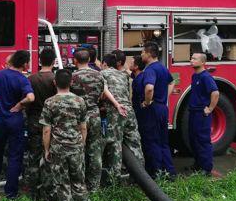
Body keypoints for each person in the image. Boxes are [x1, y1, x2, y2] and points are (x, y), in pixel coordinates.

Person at [40, 69, 94, 201]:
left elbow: (46, 130)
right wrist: (81, 144)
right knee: (79, 182)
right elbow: (83, 126)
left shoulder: (50, 102)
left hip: (59, 148)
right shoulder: (80, 101)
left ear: (54, 82)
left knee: (62, 184)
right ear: (71, 83)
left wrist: (47, 149)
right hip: (76, 146)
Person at [0, 50, 35, 199]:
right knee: (15, 156)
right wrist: (19, 104)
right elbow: (31, 97)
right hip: (15, 120)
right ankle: (11, 192)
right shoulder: (22, 79)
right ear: (24, 64)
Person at [70, 49, 126, 192]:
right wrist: (117, 104)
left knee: (78, 149)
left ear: (75, 60)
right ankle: (94, 186)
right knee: (95, 151)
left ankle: (78, 184)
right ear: (90, 60)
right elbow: (102, 94)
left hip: (78, 117)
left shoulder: (72, 77)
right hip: (95, 115)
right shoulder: (99, 76)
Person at [100, 53, 144, 184]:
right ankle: (140, 176)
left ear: (105, 64)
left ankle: (115, 178)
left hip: (116, 111)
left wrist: (112, 105)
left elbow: (104, 93)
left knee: (115, 143)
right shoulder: (123, 75)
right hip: (129, 110)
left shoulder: (103, 74)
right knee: (134, 141)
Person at [22, 47, 57, 200]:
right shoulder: (57, 79)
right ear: (54, 61)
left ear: (39, 60)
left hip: (34, 121)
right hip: (52, 123)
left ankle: (31, 192)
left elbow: (27, 103)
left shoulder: (31, 79)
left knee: (33, 157)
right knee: (50, 157)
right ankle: (48, 191)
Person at [139, 42, 177, 179]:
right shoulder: (162, 67)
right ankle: (169, 172)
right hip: (162, 108)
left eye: (143, 52)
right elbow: (172, 82)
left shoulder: (150, 70)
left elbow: (149, 88)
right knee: (163, 141)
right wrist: (164, 97)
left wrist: (147, 102)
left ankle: (156, 174)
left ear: (149, 54)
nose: (141, 54)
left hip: (152, 109)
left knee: (152, 141)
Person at [188, 53, 220, 176]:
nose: (191, 60)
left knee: (202, 140)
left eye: (194, 59)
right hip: (193, 112)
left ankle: (206, 169)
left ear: (202, 62)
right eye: (191, 58)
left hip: (201, 114)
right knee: (193, 139)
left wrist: (210, 108)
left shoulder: (206, 77)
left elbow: (215, 93)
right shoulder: (195, 76)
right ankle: (198, 165)